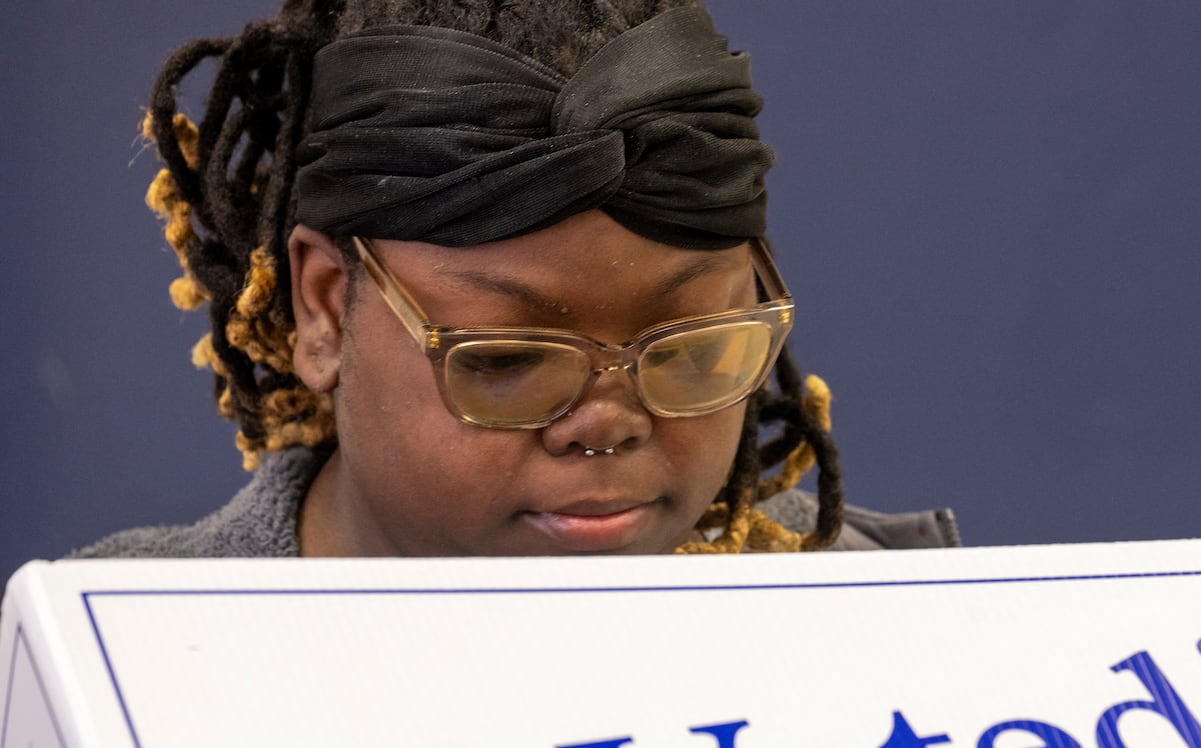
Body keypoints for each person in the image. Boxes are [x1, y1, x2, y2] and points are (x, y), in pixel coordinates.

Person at [73, 0, 958, 559]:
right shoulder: (110, 667)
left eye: (694, 350)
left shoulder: (902, 625)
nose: (607, 426)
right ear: (324, 309)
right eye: (505, 361)